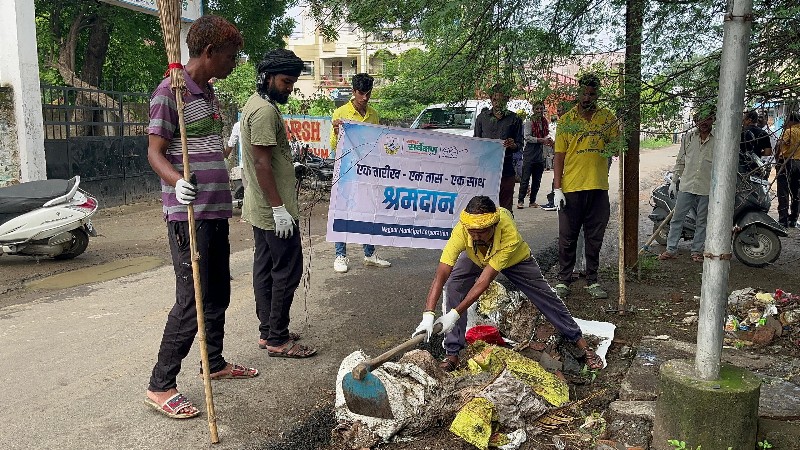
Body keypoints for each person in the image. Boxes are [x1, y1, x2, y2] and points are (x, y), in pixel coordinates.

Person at [145, 15, 257, 420]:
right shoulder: (168, 94)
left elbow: (208, 147)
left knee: (217, 294)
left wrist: (227, 147)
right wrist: (177, 181)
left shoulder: (207, 94)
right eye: (230, 56)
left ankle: (214, 361)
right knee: (191, 299)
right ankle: (161, 385)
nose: (234, 64)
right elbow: (155, 152)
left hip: (215, 209)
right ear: (209, 53)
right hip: (187, 214)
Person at [412, 196, 604, 372]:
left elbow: (484, 281)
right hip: (476, 257)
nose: (476, 236)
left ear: (494, 226)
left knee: (545, 296)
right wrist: (428, 314)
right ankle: (452, 353)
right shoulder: (463, 229)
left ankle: (580, 342)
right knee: (454, 284)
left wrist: (454, 314)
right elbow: (441, 274)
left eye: (482, 232)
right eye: (472, 232)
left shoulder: (507, 232)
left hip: (515, 259)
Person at [240, 49, 317, 358]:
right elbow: (260, 164)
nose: (289, 87)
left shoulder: (258, 104)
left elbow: (269, 158)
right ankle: (278, 339)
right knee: (286, 270)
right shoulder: (264, 112)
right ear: (266, 78)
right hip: (273, 210)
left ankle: (269, 330)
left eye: (292, 82)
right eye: (286, 81)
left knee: (266, 267)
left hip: (262, 206)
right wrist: (278, 208)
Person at [552, 73, 619, 300]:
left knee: (594, 237)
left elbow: (617, 149)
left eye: (592, 93)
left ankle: (592, 279)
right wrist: (557, 188)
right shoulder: (566, 120)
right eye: (584, 92)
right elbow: (559, 156)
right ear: (578, 93)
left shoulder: (607, 119)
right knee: (567, 237)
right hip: (571, 189)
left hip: (598, 188)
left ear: (597, 94)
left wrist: (620, 135)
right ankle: (563, 279)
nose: (587, 97)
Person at [329, 73, 392, 273]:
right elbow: (333, 145)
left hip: (368, 170)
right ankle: (340, 255)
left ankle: (369, 253)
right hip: (346, 169)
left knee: (368, 211)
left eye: (368, 93)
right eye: (361, 93)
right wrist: (337, 132)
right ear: (354, 91)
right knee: (343, 210)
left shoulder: (373, 115)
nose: (365, 97)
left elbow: (377, 143)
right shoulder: (340, 113)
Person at [658, 109, 716, 262]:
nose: (703, 123)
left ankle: (696, 251)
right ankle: (671, 249)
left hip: (706, 186)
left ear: (713, 119)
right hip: (687, 185)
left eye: (707, 119)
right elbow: (681, 160)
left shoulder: (718, 139)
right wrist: (674, 180)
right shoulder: (688, 137)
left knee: (702, 221)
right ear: (695, 121)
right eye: (700, 119)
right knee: (677, 218)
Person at [474, 83, 524, 211]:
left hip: (506, 169)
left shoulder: (515, 119)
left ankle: (506, 230)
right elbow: (475, 143)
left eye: (501, 99)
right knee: (485, 206)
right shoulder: (482, 118)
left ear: (507, 99)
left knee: (505, 208)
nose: (497, 103)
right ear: (491, 99)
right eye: (495, 99)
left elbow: (519, 145)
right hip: (486, 171)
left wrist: (513, 145)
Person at [518, 102, 552, 209]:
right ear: (533, 110)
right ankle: (520, 200)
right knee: (525, 178)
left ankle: (532, 201)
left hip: (540, 154)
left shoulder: (545, 122)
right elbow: (527, 137)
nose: (539, 111)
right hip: (530, 153)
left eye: (541, 109)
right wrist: (540, 140)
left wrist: (548, 140)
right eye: (537, 109)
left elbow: (546, 135)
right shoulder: (529, 122)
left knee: (537, 179)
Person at [775, 112, 800, 228]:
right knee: (797, 192)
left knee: (783, 191)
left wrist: (777, 159)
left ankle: (783, 220)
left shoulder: (789, 131)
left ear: (791, 121)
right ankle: (793, 219)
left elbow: (779, 145)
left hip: (786, 162)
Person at [740, 109, 773, 178]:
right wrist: (757, 153)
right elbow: (768, 152)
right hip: (756, 167)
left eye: (744, 120)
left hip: (741, 165)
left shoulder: (741, 132)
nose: (742, 122)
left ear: (749, 120)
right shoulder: (763, 133)